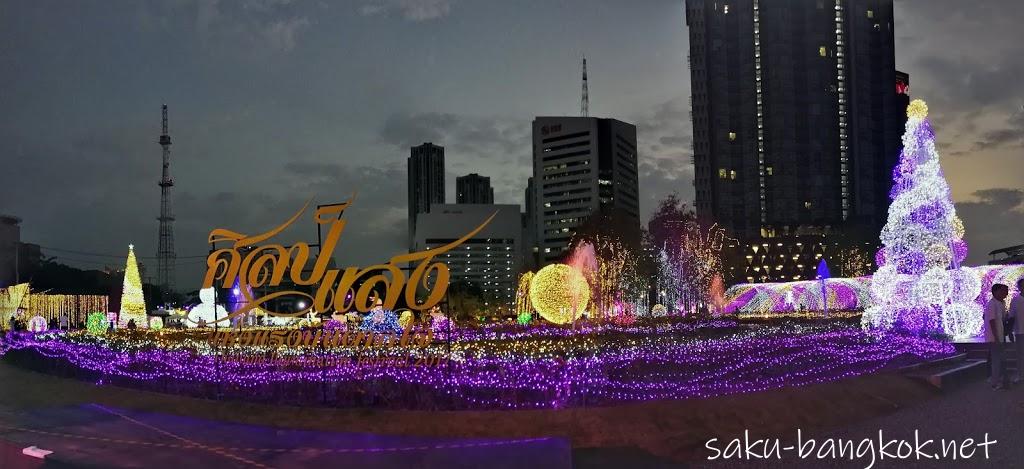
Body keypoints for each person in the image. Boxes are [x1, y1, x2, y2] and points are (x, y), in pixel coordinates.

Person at [985, 283, 1009, 390]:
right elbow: (992, 321)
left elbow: (1002, 320)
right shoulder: (992, 304)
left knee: (999, 358)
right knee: (996, 359)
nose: (1006, 293)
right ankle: (995, 382)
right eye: (1003, 291)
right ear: (996, 291)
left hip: (999, 336)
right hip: (994, 337)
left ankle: (1000, 380)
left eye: (1006, 291)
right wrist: (996, 338)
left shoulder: (1001, 303)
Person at [1010, 278, 1024, 384]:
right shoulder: (1015, 300)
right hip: (1020, 332)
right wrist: (1010, 331)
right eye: (1022, 285)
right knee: (1020, 355)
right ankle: (1021, 375)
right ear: (1019, 287)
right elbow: (1012, 316)